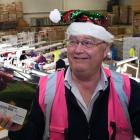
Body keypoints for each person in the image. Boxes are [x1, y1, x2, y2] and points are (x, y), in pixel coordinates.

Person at [0, 22, 140, 140]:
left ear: (105, 50)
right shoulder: (44, 88)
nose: (78, 50)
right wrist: (18, 129)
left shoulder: (128, 89)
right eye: (73, 42)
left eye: (87, 43)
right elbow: (33, 133)